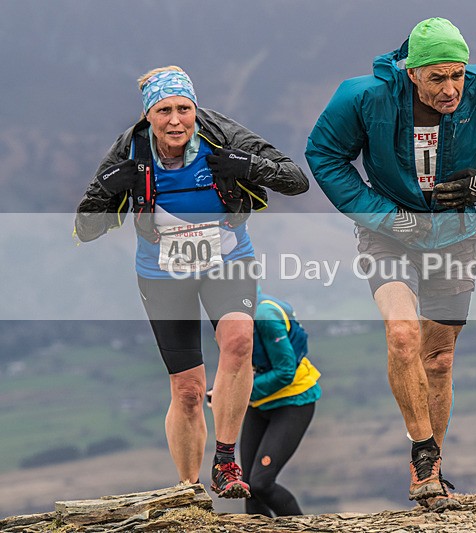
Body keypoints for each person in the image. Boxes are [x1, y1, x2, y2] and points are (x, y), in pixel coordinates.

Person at [305, 18, 476, 511]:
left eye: (457, 75)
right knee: (402, 334)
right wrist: (383, 215)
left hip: (455, 236)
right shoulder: (362, 96)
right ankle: (423, 449)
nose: (451, 88)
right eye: (437, 78)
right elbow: (324, 154)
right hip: (388, 232)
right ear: (411, 72)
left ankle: (428, 475)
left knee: (439, 359)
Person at [75, 66, 308, 498]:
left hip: (228, 260)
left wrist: (248, 164)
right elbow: (85, 229)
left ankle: (225, 462)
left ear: (195, 109)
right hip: (163, 274)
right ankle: (187, 491)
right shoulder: (130, 150)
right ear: (148, 115)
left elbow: (296, 181)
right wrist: (105, 191)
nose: (176, 120)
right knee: (187, 391)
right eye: (164, 111)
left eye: (184, 109)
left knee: (239, 342)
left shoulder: (221, 134)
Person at [209, 287, 321, 516]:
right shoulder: (229, 312)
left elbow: (285, 371)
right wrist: (225, 391)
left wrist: (236, 394)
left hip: (293, 401)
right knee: (248, 489)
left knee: (261, 483)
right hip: (258, 404)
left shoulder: (265, 315)